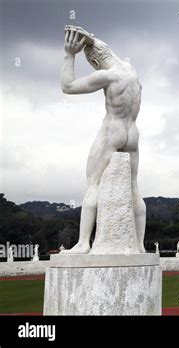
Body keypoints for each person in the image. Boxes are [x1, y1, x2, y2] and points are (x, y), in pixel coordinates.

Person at [60, 25, 146, 254]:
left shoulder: (107, 75)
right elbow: (104, 50)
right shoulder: (131, 71)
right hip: (132, 133)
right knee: (134, 187)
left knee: (93, 183)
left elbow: (67, 87)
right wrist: (90, 40)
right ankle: (139, 245)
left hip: (113, 129)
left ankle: (83, 243)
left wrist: (70, 54)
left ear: (95, 64)